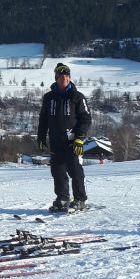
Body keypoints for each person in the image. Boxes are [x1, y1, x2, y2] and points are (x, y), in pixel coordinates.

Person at [37, 62, 91, 212]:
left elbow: (86, 119)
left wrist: (80, 138)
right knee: (57, 171)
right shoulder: (49, 98)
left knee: (75, 170)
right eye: (61, 77)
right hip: (55, 141)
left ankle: (80, 199)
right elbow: (43, 119)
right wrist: (41, 136)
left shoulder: (77, 97)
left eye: (67, 76)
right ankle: (62, 198)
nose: (64, 79)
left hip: (73, 142)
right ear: (56, 79)